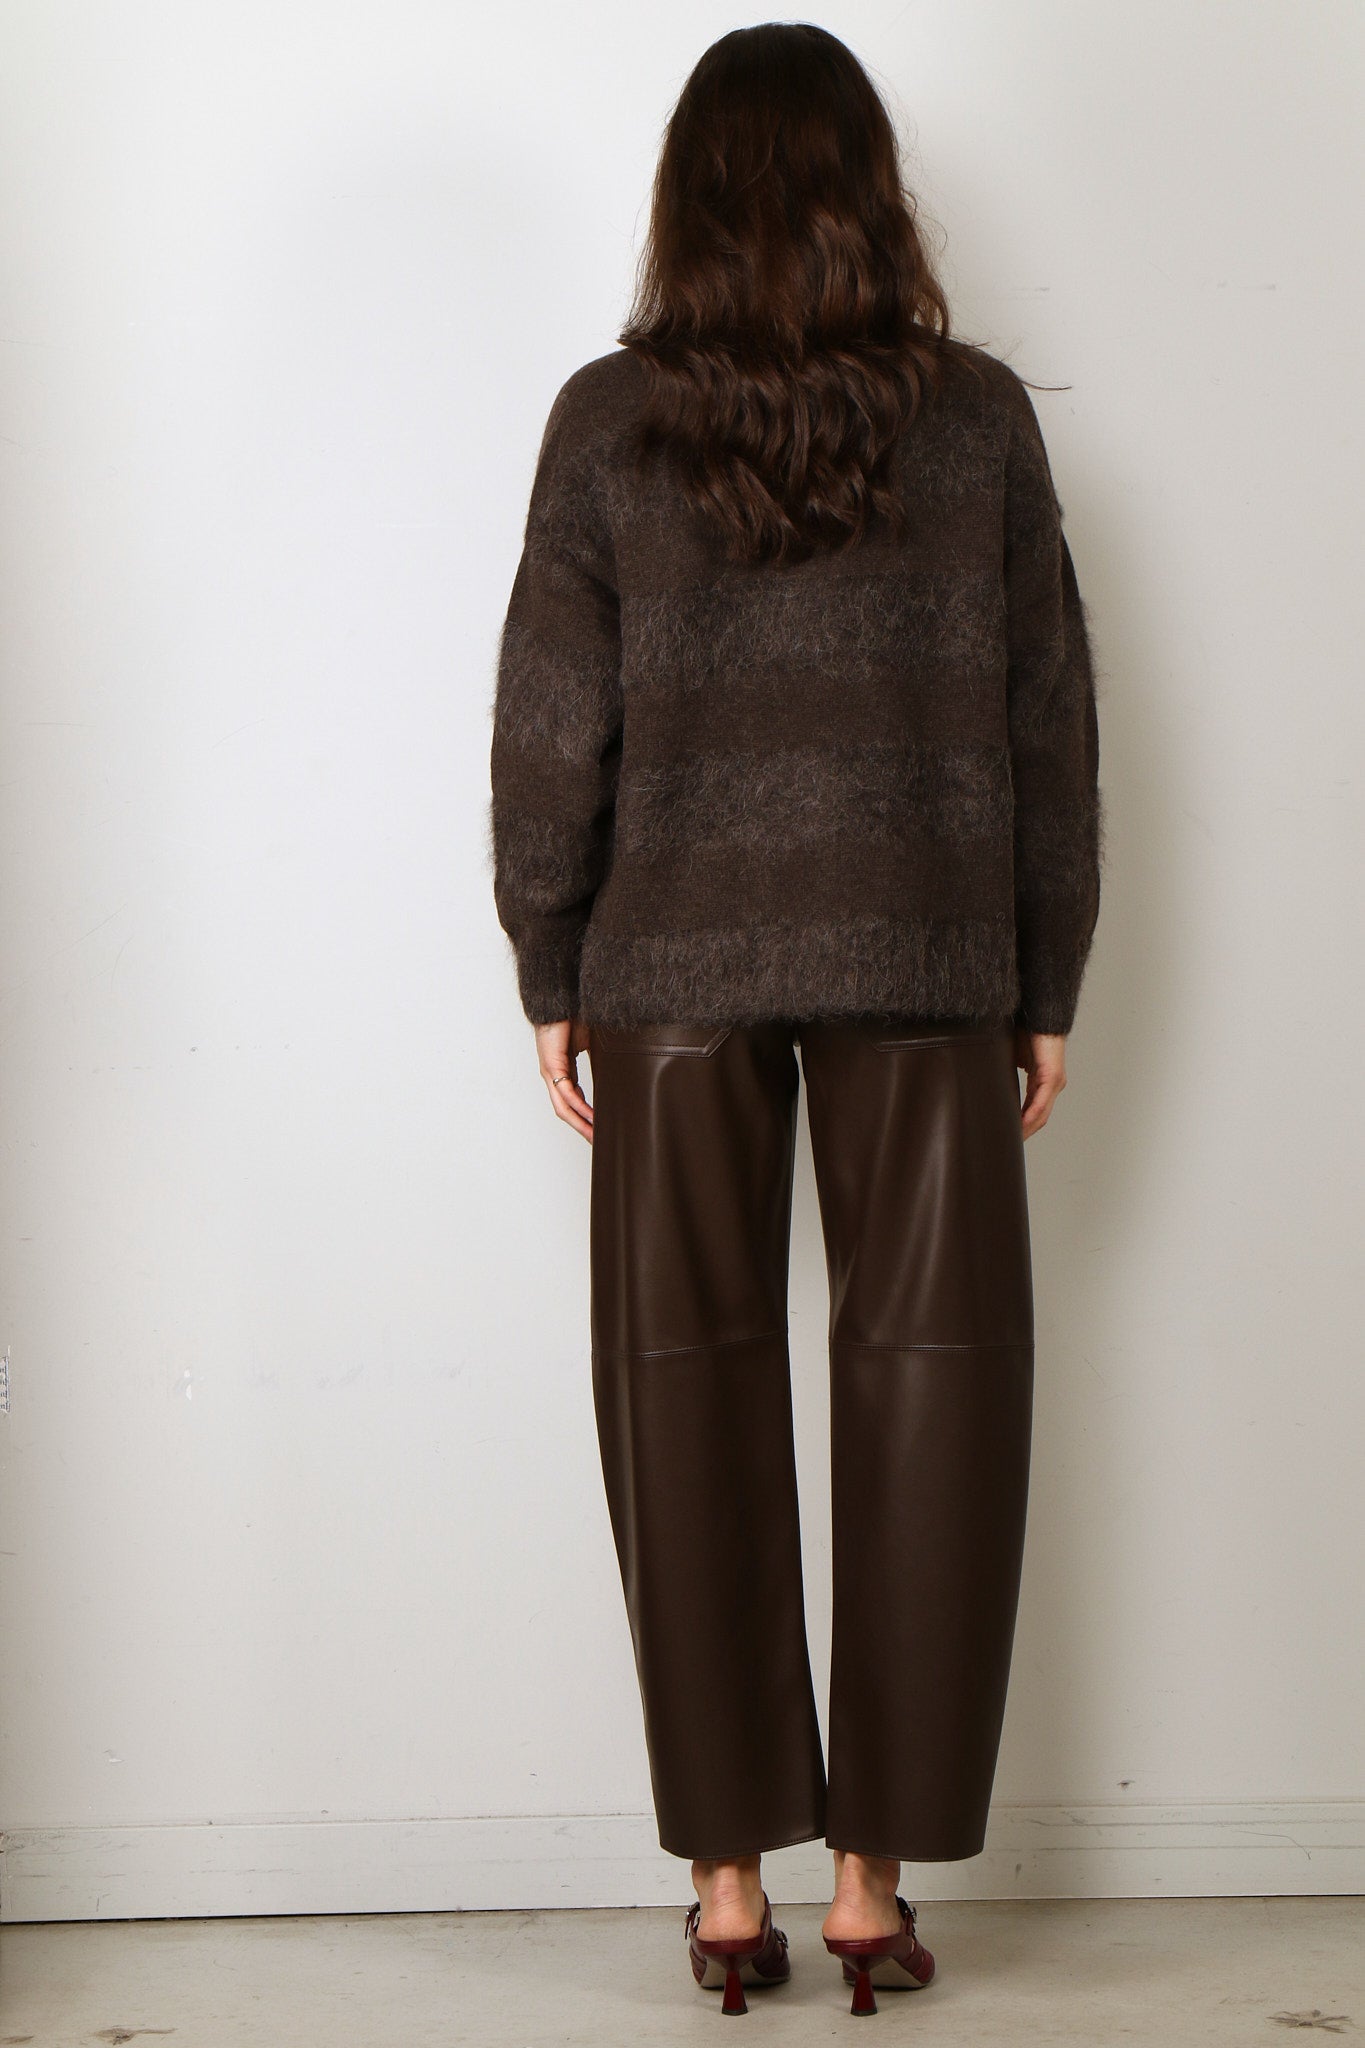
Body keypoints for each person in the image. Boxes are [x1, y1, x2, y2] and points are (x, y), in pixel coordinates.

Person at [488, 21, 1103, 2019]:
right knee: (937, 1382)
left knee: (680, 1382)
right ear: (869, 194)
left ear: (685, 198)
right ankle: (867, 1886)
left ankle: (727, 1889)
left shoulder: (608, 421)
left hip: (670, 963)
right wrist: (1041, 973)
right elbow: (1044, 713)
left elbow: (548, 718)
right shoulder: (972, 418)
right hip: (924, 947)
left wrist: (550, 961)